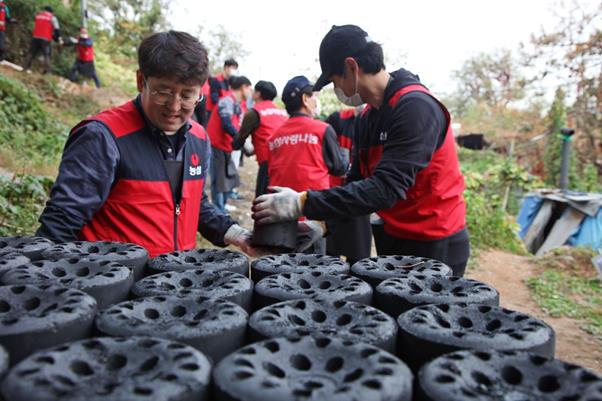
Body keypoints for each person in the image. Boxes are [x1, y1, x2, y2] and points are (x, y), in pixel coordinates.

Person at [252, 25, 470, 275]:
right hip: (394, 233)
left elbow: (386, 188)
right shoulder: (368, 117)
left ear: (351, 68)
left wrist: (303, 203)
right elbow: (357, 182)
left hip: (434, 239)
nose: (337, 90)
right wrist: (321, 224)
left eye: (334, 81)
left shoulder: (415, 108)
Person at [36, 31, 258, 258]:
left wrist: (236, 234)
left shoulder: (199, 138)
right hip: (112, 280)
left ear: (200, 92)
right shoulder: (102, 137)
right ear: (141, 81)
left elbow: (194, 204)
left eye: (187, 95)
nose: (174, 107)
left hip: (170, 282)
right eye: (163, 92)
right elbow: (61, 222)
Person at [265, 75, 346, 254]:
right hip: (312, 218)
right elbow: (339, 168)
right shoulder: (322, 130)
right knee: (311, 270)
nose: (316, 101)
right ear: (305, 99)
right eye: (314, 96)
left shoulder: (274, 137)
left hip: (280, 217)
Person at [324, 106, 372, 265]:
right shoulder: (337, 119)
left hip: (359, 191)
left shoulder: (373, 120)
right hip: (335, 190)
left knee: (358, 251)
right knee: (331, 250)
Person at [232, 80, 288, 197]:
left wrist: (236, 144)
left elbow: (239, 140)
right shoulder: (281, 113)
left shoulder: (254, 113)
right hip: (285, 161)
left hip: (268, 164)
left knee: (262, 202)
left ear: (258, 94)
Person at [206, 75, 252, 213]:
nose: (250, 92)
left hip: (226, 146)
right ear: (243, 87)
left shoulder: (237, 104)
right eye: (249, 88)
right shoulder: (226, 101)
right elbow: (226, 124)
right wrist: (240, 140)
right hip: (217, 145)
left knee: (228, 177)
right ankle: (218, 210)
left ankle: (222, 206)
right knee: (218, 181)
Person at [24, 6, 62, 74]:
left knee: (31, 52)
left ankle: (25, 68)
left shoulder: (38, 16)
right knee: (46, 55)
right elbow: (57, 30)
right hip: (45, 38)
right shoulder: (52, 18)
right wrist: (59, 38)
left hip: (35, 37)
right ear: (51, 12)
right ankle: (47, 72)